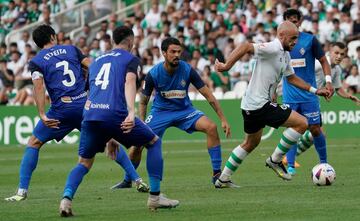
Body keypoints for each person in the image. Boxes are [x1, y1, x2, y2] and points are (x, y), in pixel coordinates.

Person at [5, 25, 147, 202]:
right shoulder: (71, 49)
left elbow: (38, 86)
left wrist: (42, 114)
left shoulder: (36, 61)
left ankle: (21, 192)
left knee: (34, 142)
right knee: (108, 140)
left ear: (37, 43)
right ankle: (137, 179)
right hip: (84, 106)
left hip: (60, 110)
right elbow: (94, 66)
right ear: (52, 36)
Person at [59, 26, 179, 217]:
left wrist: (110, 135)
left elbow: (91, 93)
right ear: (130, 41)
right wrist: (131, 112)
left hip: (90, 115)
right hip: (116, 114)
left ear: (113, 40)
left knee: (83, 162)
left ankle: (66, 199)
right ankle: (155, 197)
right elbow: (129, 82)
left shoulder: (96, 61)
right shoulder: (130, 59)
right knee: (154, 142)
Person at [213, 21, 330, 188]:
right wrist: (226, 66)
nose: (295, 42)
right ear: (281, 36)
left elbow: (292, 78)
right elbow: (246, 46)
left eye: (296, 38)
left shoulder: (286, 55)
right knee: (302, 123)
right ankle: (275, 160)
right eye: (292, 38)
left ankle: (223, 179)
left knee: (250, 143)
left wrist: (315, 90)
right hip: (259, 104)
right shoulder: (272, 48)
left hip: (250, 105)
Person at [112, 37, 232, 190]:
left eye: (179, 52)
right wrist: (142, 123)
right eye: (173, 52)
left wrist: (223, 119)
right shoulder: (153, 74)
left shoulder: (187, 70)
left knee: (211, 127)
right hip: (160, 112)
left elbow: (209, 95)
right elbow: (143, 101)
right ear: (164, 53)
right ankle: (128, 179)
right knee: (137, 145)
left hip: (185, 111)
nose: (176, 55)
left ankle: (217, 175)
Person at [281, 9, 334, 175]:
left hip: (309, 95)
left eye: (295, 20)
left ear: (300, 21)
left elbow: (324, 61)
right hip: (289, 96)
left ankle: (324, 164)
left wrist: (329, 81)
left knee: (315, 129)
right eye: (289, 21)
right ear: (284, 23)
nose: (293, 23)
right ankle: (290, 166)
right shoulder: (279, 44)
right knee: (292, 130)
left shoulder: (310, 40)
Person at [294, 42, 360, 157]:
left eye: (342, 54)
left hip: (312, 100)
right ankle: (288, 158)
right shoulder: (319, 63)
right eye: (336, 53)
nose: (339, 56)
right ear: (330, 51)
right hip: (302, 97)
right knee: (312, 132)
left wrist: (349, 96)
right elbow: (299, 73)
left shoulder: (337, 69)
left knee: (318, 134)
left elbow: (338, 88)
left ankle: (289, 158)